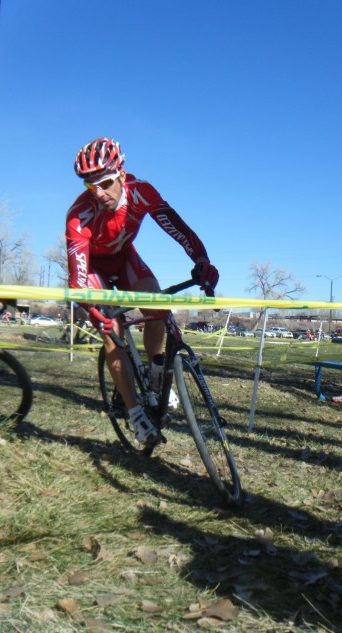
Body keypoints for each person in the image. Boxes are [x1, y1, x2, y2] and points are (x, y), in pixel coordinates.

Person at [66, 137, 219, 445]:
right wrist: (96, 312)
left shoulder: (141, 192)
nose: (99, 193)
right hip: (94, 268)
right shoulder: (78, 216)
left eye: (106, 183)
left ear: (122, 174)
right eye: (89, 186)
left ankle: (153, 372)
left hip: (125, 260)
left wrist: (202, 261)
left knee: (158, 309)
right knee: (114, 333)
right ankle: (135, 414)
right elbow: (77, 281)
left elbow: (180, 230)